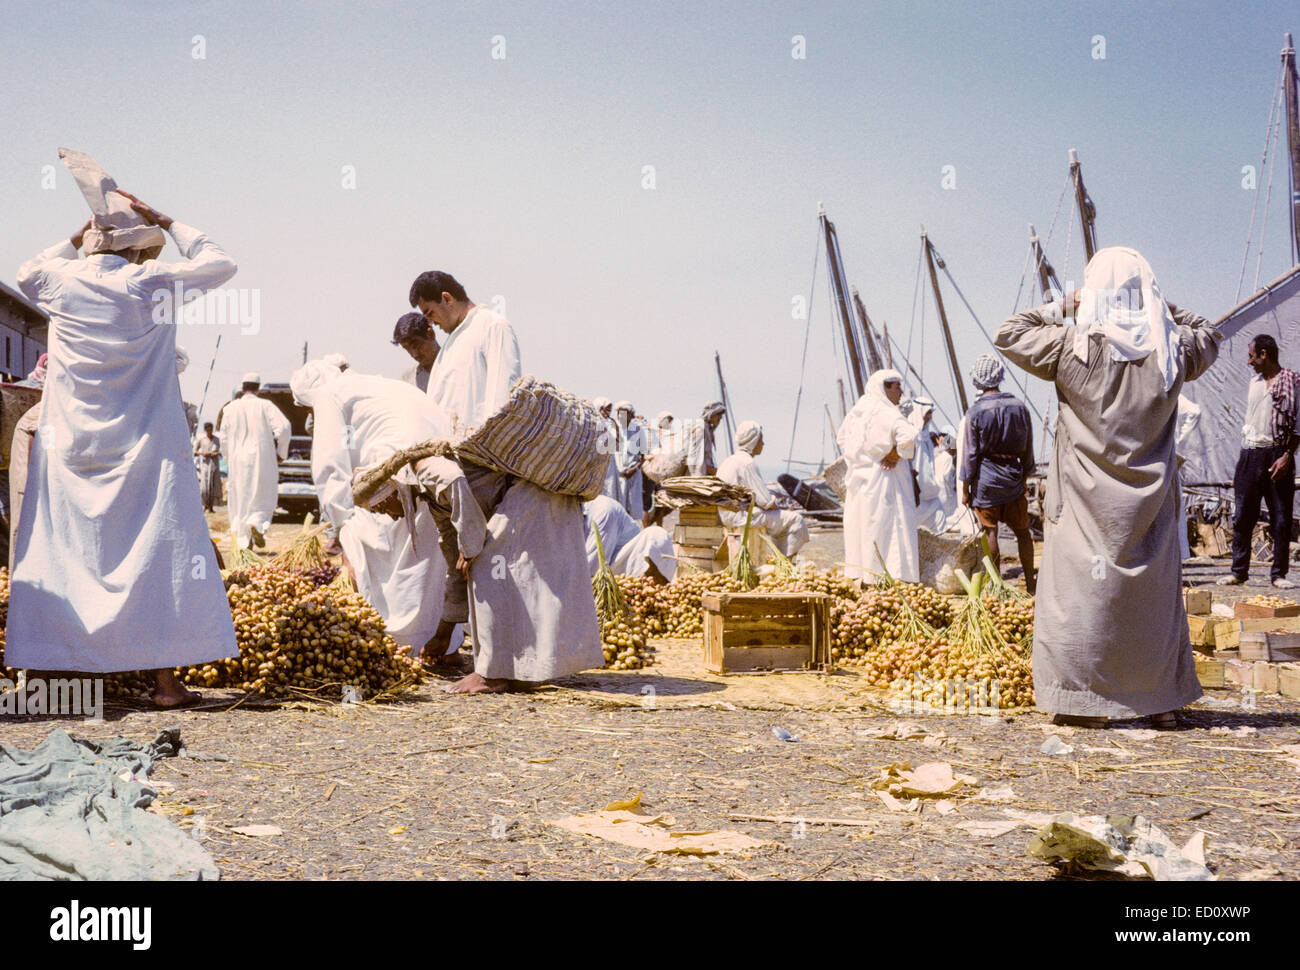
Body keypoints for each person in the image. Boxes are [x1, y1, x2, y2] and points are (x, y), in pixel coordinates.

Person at [8, 152, 236, 707]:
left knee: (62, 551)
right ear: (137, 246)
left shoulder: (60, 283)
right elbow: (220, 262)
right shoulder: (151, 283)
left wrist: (74, 234)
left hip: (71, 445)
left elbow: (25, 271)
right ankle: (163, 684)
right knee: (156, 552)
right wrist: (169, 218)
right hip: (144, 447)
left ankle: (51, 679)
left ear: (93, 241)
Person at [996, 246, 1220, 729]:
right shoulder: (1170, 352)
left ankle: (1083, 702)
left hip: (1082, 500)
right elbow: (1210, 333)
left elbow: (1008, 334)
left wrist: (1068, 303)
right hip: (1151, 503)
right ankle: (1159, 701)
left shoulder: (1071, 347)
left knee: (1081, 596)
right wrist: (1163, 307)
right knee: (1151, 600)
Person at [291, 359, 450, 657]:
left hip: (393, 469)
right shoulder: (380, 383)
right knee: (427, 557)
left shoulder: (328, 393)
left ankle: (391, 643)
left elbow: (329, 468)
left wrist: (339, 527)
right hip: (438, 467)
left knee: (373, 550)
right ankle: (435, 645)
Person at [414, 456, 603, 694]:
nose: (388, 515)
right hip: (527, 501)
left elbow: (454, 478)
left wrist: (471, 547)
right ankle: (517, 672)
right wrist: (443, 635)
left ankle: (491, 676)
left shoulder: (423, 467)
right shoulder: (431, 499)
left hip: (532, 497)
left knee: (487, 565)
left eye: (379, 506)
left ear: (391, 491)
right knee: (493, 570)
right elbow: (455, 566)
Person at [1217, 334, 1300, 588]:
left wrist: (1287, 456)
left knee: (1281, 518)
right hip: (1250, 454)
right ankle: (1239, 571)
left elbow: (1298, 425)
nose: (1248, 361)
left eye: (1252, 356)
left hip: (1278, 455)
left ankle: (1278, 575)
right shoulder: (1254, 382)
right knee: (1243, 515)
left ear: (1264, 354)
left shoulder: (1292, 382)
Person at [959, 354, 1037, 593]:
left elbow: (970, 456)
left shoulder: (975, 412)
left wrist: (965, 490)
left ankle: (997, 585)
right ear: (999, 376)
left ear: (977, 380)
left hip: (987, 479)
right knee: (1023, 532)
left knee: (990, 531)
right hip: (1013, 477)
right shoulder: (1019, 407)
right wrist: (1023, 480)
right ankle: (1031, 584)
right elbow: (1027, 449)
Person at [408, 271, 521, 435]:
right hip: (448, 454)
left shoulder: (491, 326)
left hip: (480, 453)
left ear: (447, 299)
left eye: (430, 313)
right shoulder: (447, 348)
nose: (430, 323)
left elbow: (502, 397)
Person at [836, 370, 920, 582]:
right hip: (886, 479)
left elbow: (842, 439)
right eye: (897, 386)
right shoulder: (888, 411)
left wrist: (859, 460)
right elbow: (909, 436)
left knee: (863, 527)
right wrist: (895, 453)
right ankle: (892, 577)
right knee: (890, 527)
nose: (901, 392)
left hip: (860, 480)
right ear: (885, 387)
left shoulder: (857, 410)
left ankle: (865, 577)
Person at [716, 420, 810, 557]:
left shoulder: (728, 461)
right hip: (742, 517)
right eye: (761, 440)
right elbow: (766, 502)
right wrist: (779, 507)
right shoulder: (747, 463)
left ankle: (778, 556)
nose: (763, 444)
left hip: (727, 516)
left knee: (781, 519)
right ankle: (785, 559)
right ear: (753, 441)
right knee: (796, 520)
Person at [220, 373, 291, 549]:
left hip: (238, 461)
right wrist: (281, 452)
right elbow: (283, 428)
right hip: (263, 458)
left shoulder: (230, 408)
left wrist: (230, 458)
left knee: (240, 501)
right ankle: (257, 523)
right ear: (258, 388)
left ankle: (244, 544)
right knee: (263, 495)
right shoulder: (265, 405)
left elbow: (223, 439)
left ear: (242, 388)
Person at [583, 494, 676, 581]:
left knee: (655, 535)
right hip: (606, 565)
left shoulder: (603, 510)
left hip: (624, 565)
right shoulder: (576, 513)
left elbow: (593, 566)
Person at [614, 400, 646, 517]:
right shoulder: (613, 430)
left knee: (632, 511)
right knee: (617, 510)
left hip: (633, 476)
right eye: (619, 413)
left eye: (624, 413)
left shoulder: (638, 431)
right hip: (618, 477)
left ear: (631, 415)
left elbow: (643, 457)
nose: (621, 416)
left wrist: (634, 469)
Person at [392, 311, 438, 393]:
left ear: (430, 334)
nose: (414, 354)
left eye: (416, 344)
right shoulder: (407, 381)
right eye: (407, 348)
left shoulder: (457, 363)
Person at [686, 401, 727, 476]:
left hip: (705, 475)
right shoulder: (700, 429)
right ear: (711, 413)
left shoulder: (708, 429)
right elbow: (695, 461)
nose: (720, 418)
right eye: (718, 414)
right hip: (698, 478)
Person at [593, 396, 622, 501]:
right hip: (596, 459)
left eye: (609, 410)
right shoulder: (593, 421)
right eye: (605, 409)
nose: (607, 413)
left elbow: (618, 443)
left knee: (610, 488)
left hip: (609, 461)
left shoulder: (612, 423)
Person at [194, 421, 223, 512]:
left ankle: (211, 507)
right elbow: (194, 451)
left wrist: (216, 453)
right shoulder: (202, 440)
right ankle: (205, 505)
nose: (209, 431)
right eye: (208, 429)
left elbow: (223, 451)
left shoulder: (217, 440)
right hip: (205, 464)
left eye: (211, 429)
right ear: (205, 430)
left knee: (214, 485)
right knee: (205, 486)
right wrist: (202, 453)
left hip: (214, 465)